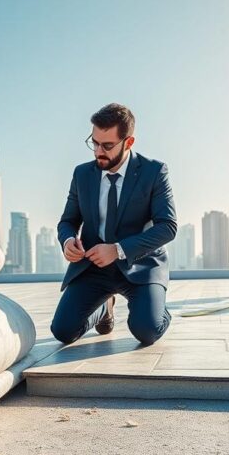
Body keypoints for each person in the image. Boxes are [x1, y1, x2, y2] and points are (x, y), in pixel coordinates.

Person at [51, 103, 177, 346]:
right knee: (63, 331)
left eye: (107, 145)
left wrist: (118, 249)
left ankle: (156, 307)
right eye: (94, 142)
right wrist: (67, 241)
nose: (99, 151)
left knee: (147, 331)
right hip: (94, 266)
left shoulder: (154, 171)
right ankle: (104, 309)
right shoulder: (82, 174)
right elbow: (68, 221)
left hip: (141, 264)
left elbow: (167, 226)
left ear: (128, 143)